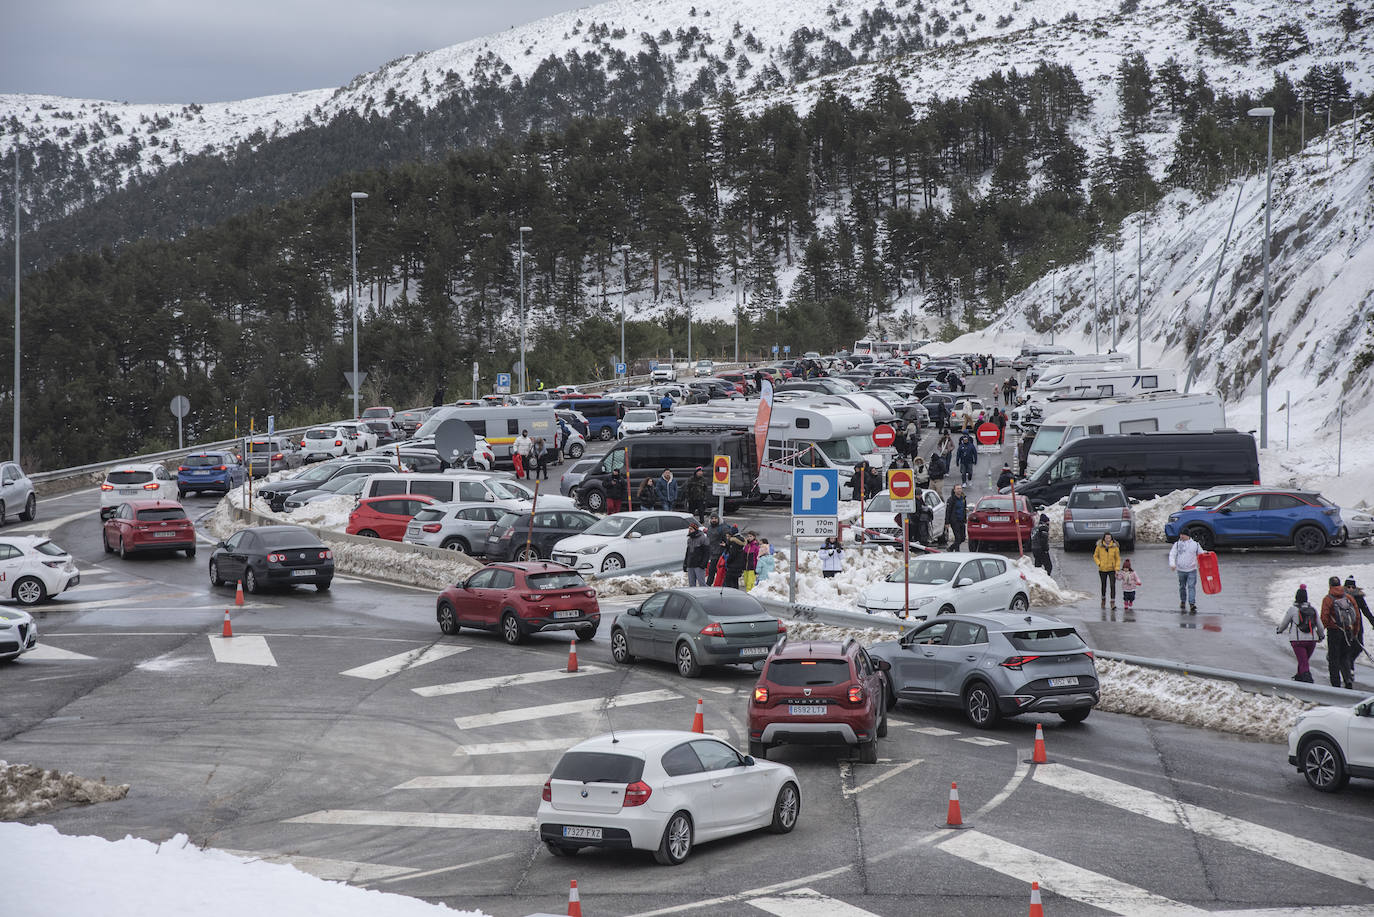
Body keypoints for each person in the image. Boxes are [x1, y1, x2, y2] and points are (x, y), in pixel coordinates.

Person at [1321, 575, 1363, 689]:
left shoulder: (1328, 599)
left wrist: (1320, 633)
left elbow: (1324, 618)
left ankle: (1335, 684)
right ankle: (1348, 679)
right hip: (1348, 631)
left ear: (1330, 585)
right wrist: (1355, 632)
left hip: (1334, 632)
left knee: (1333, 658)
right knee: (1345, 657)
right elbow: (1357, 616)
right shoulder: (1349, 598)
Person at [1275, 585, 1323, 683]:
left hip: (1297, 641)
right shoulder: (1312, 609)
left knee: (1303, 662)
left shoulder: (1292, 610)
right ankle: (1299, 678)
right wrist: (1320, 636)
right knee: (1303, 661)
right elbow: (1320, 626)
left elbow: (1284, 623)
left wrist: (1279, 630)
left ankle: (1307, 683)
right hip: (1311, 641)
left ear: (1296, 597)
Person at [1169, 529, 1202, 614]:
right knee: (1182, 586)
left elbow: (1201, 554)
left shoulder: (1195, 545)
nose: (1181, 536)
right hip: (1181, 570)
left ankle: (1192, 603)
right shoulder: (1177, 544)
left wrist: (1207, 556)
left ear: (1187, 536)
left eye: (1183, 535)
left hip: (1192, 570)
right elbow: (1172, 554)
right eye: (1180, 534)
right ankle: (1183, 601)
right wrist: (1172, 564)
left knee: (1191, 586)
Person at [1094, 533, 1122, 610]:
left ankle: (1112, 602)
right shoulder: (1099, 546)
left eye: (1109, 538)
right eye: (1106, 538)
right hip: (1102, 569)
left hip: (1112, 569)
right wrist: (1099, 563)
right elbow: (1095, 556)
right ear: (1104, 539)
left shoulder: (1115, 547)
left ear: (1111, 539)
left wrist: (1117, 568)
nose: (1108, 540)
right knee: (1103, 585)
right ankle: (1103, 600)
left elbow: (1118, 558)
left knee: (1112, 585)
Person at [683, 522, 710, 587]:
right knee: (691, 585)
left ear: (695, 529)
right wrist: (685, 563)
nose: (690, 530)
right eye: (689, 529)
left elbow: (707, 552)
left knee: (702, 583)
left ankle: (707, 595)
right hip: (690, 564)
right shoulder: (689, 540)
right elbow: (687, 553)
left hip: (699, 565)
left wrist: (703, 564)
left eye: (691, 529)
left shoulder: (703, 538)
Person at [706, 513, 727, 583]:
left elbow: (727, 538)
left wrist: (726, 544)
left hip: (719, 553)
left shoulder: (722, 528)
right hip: (711, 552)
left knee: (717, 570)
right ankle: (709, 585)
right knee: (711, 570)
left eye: (715, 518)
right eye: (712, 518)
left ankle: (714, 584)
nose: (714, 520)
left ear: (718, 519)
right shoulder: (709, 527)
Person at [947, 484, 968, 551]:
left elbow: (964, 507)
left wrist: (965, 512)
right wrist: (947, 522)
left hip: (962, 520)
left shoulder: (963, 498)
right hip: (954, 521)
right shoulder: (951, 499)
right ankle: (957, 551)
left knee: (963, 538)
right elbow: (948, 511)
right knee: (957, 538)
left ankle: (951, 548)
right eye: (958, 488)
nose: (959, 490)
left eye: (960, 488)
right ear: (954, 490)